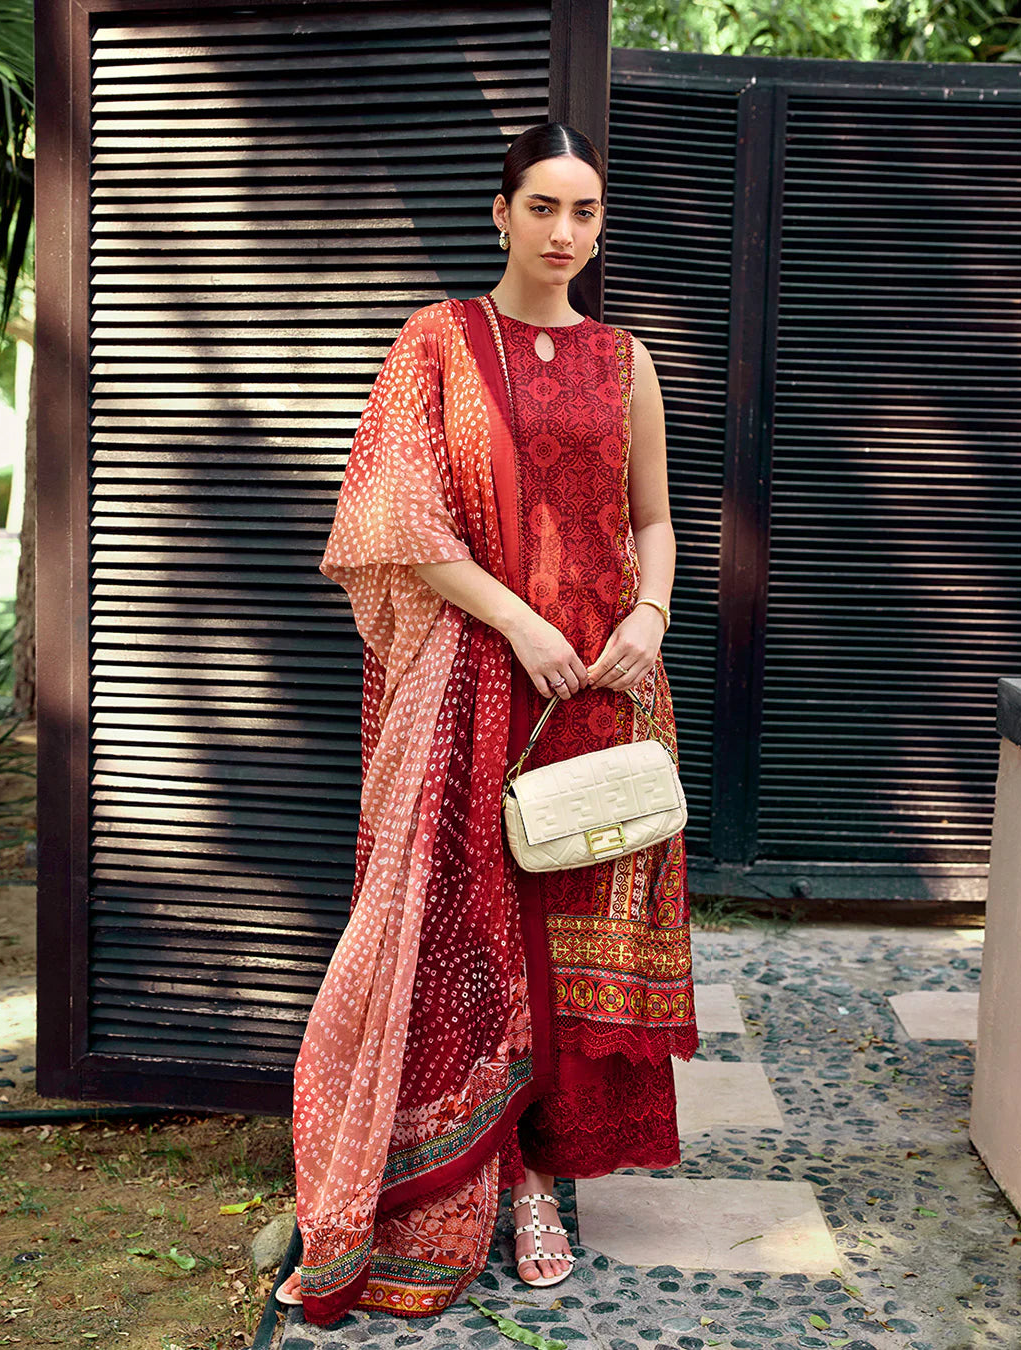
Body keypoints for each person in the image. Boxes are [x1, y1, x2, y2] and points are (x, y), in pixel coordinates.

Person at [276, 121, 698, 1326]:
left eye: (588, 213)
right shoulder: (439, 341)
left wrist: (653, 614)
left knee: (574, 929)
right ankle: (497, 1179)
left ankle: (553, 1174)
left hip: (607, 686)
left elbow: (655, 522)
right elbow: (393, 517)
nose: (567, 234)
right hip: (479, 674)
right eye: (546, 208)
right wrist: (519, 622)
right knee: (478, 927)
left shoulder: (626, 359)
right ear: (499, 213)